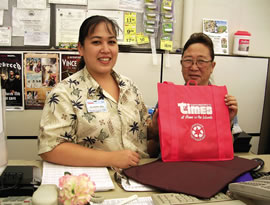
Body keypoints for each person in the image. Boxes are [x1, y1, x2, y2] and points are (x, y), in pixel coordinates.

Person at [38, 15, 158, 169]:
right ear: (80, 48)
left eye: (112, 42)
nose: (106, 49)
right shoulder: (64, 92)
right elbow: (50, 148)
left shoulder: (130, 87)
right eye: (96, 42)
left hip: (139, 180)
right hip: (92, 185)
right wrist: (110, 158)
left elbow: (140, 135)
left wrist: (153, 130)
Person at [148, 32, 238, 157]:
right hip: (175, 168)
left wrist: (227, 122)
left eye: (201, 61)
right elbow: (152, 152)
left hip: (210, 168)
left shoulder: (224, 102)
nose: (194, 67)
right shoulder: (168, 100)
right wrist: (155, 133)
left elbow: (228, 150)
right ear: (181, 65)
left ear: (212, 66)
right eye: (188, 61)